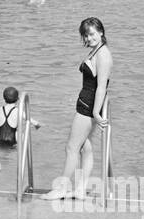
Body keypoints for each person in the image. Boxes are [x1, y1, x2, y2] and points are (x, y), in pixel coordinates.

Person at [45, 18, 112, 200]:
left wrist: (96, 113)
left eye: (92, 34)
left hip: (88, 105)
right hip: (86, 102)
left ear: (101, 32)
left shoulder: (103, 55)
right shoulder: (96, 50)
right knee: (85, 148)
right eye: (86, 35)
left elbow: (101, 86)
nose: (89, 38)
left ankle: (61, 188)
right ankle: (81, 189)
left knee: (71, 148)